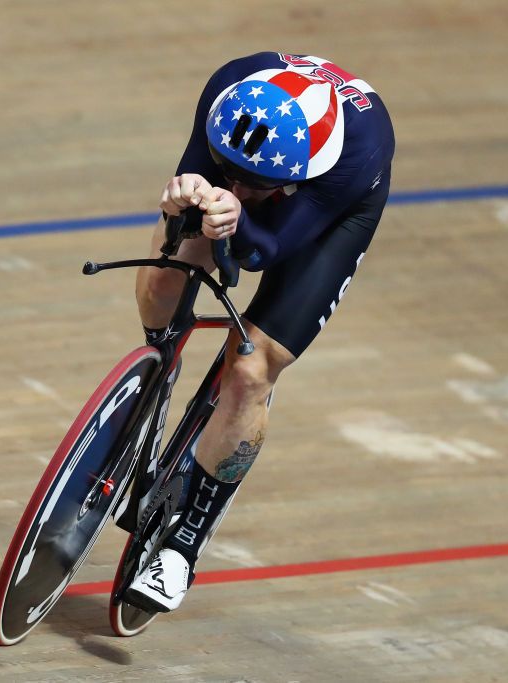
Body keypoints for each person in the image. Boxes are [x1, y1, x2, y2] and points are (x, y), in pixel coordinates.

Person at [125, 52, 395, 613]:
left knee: (249, 370)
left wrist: (237, 216)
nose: (240, 186)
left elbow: (261, 252)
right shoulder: (228, 87)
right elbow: (193, 187)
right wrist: (191, 197)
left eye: (255, 183)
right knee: (160, 285)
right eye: (231, 172)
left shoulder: (356, 151)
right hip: (260, 164)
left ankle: (182, 547)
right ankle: (158, 376)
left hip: (327, 217)